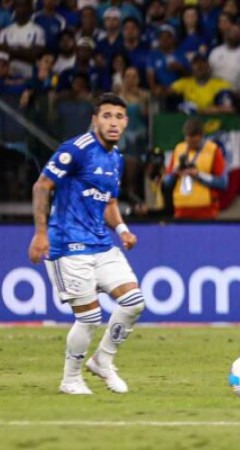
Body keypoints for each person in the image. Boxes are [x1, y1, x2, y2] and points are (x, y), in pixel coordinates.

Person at [28, 93, 145, 395]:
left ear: (126, 121)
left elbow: (109, 201)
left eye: (119, 117)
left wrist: (122, 229)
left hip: (101, 244)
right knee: (90, 317)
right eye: (106, 116)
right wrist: (41, 234)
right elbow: (42, 186)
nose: (113, 122)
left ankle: (103, 360)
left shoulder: (116, 159)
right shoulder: (76, 150)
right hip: (67, 245)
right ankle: (70, 379)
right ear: (94, 120)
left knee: (134, 303)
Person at [163, 117, 228, 219]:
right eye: (188, 140)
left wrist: (198, 175)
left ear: (201, 136)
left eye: (194, 142)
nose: (190, 145)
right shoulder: (179, 149)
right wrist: (174, 173)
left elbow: (223, 183)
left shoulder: (213, 150)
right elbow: (167, 183)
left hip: (206, 210)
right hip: (181, 210)